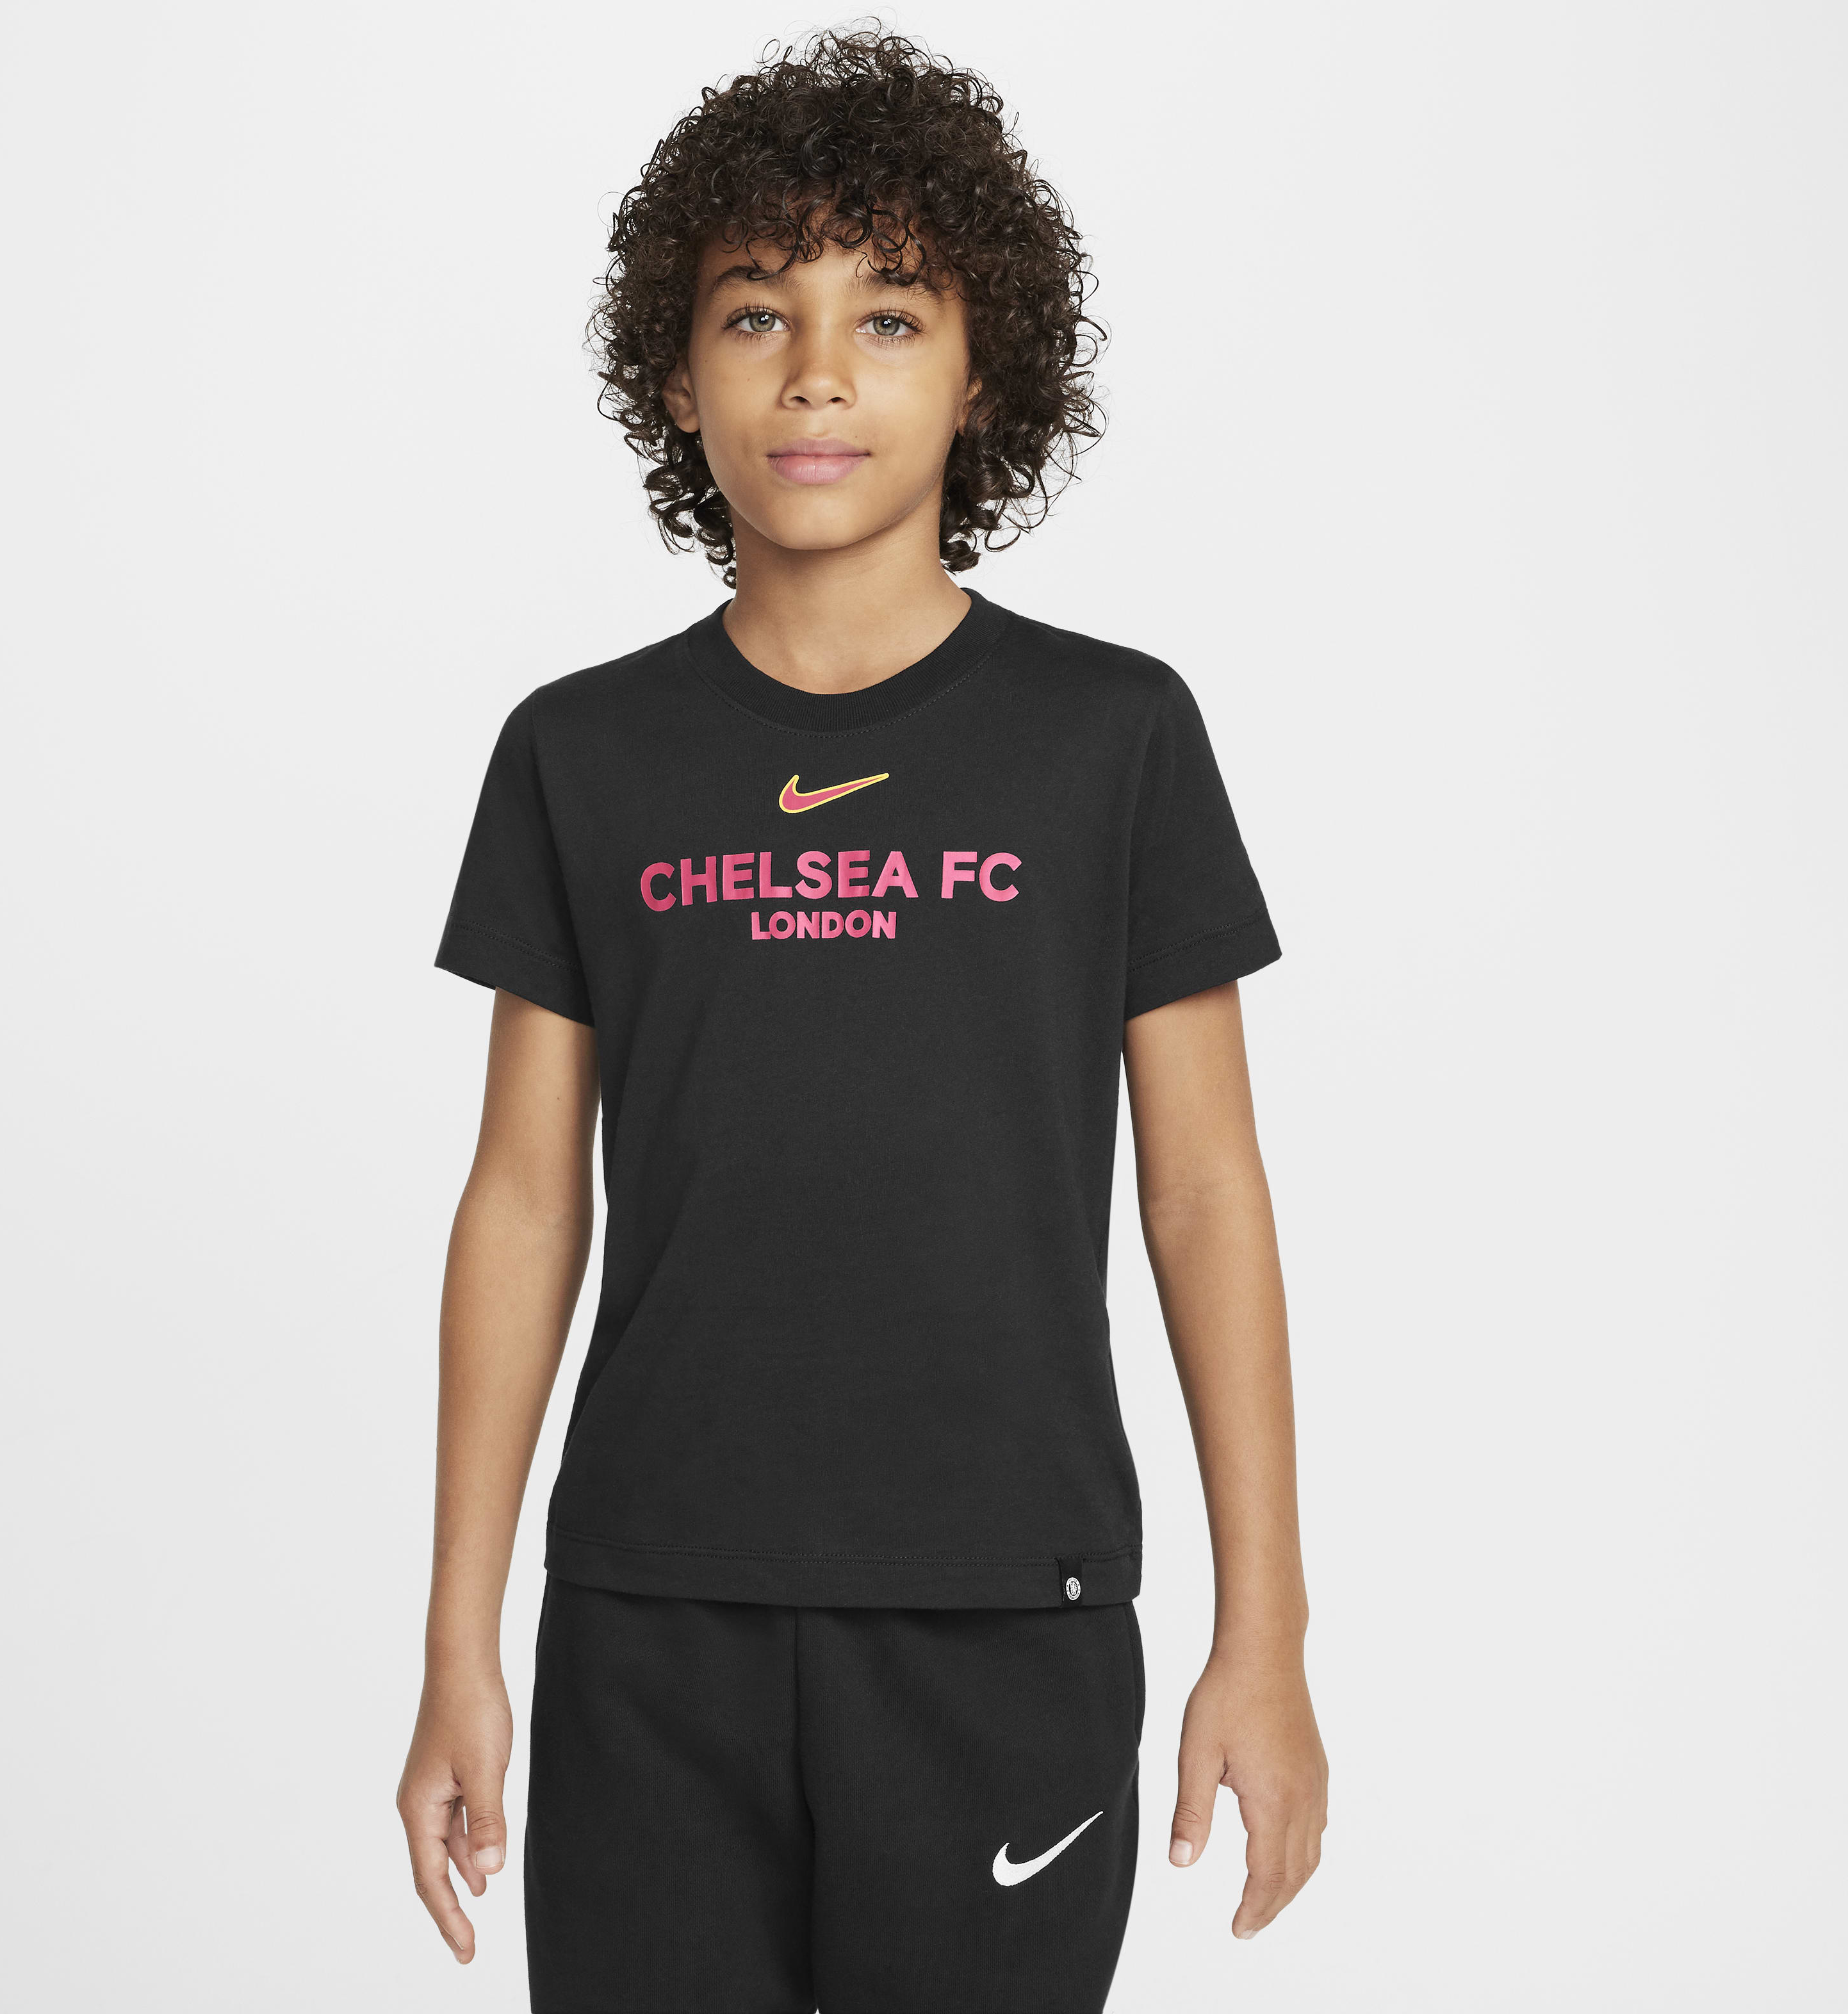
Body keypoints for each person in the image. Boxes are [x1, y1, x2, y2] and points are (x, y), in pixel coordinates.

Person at [395, 26, 1326, 2011]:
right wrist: (459, 1638)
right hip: (652, 1616)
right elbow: (523, 1204)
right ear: (677, 371)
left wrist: (1269, 1635)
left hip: (1005, 1614)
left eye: (888, 315)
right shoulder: (581, 755)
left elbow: (1205, 1198)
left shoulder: (1113, 740)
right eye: (758, 313)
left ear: (983, 372)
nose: (817, 372)